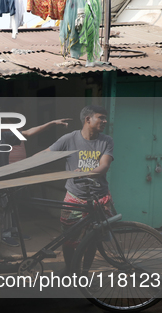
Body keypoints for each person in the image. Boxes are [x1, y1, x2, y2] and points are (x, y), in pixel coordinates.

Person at [0, 103, 70, 254]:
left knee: (3, 219)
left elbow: (27, 133)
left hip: (3, 186)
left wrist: (51, 123)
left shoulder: (6, 136)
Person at [43, 105, 116, 271]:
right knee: (68, 238)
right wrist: (21, 166)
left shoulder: (106, 141)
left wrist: (84, 173)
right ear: (88, 119)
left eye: (105, 118)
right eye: (101, 117)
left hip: (99, 197)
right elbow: (45, 154)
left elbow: (104, 166)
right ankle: (70, 270)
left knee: (94, 239)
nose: (105, 121)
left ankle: (84, 272)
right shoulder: (69, 139)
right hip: (74, 196)